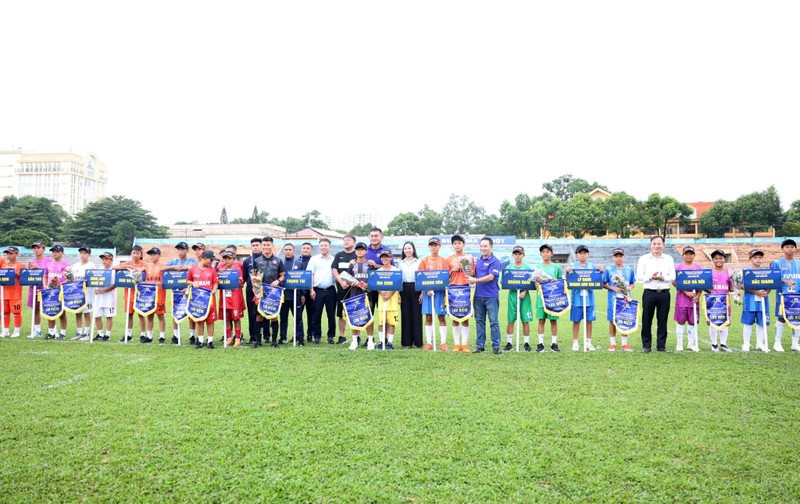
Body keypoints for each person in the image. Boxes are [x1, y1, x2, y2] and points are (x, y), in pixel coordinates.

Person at [636, 235, 676, 352]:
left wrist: (662, 277)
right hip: (649, 292)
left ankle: (661, 346)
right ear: (650, 245)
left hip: (664, 292)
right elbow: (639, 276)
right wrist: (650, 277)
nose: (656, 246)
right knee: (647, 319)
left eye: (659, 244)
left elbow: (672, 276)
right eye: (654, 244)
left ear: (663, 245)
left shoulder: (669, 258)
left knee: (663, 319)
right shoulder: (643, 258)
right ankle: (646, 346)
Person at [565, 245, 603, 351]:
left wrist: (601, 271)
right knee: (576, 321)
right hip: (577, 299)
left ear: (588, 254)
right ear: (577, 255)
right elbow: (568, 281)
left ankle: (588, 342)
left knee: (589, 321)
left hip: (589, 299)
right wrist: (567, 272)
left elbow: (598, 279)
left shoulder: (592, 266)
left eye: (585, 253)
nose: (583, 255)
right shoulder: (572, 266)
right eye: (580, 253)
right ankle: (575, 342)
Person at [468, 237, 502, 354]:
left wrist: (475, 280)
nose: (483, 248)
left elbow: (490, 277)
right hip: (478, 296)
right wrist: (467, 269)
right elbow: (473, 273)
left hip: (491, 296)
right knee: (479, 321)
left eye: (485, 246)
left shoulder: (495, 261)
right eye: (481, 246)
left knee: (493, 322)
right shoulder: (479, 260)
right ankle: (479, 345)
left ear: (491, 247)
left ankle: (496, 346)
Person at [163, 242, 197, 344]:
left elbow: (195, 269)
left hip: (188, 290)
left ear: (187, 250)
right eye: (179, 249)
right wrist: (173, 267)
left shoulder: (192, 261)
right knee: (175, 313)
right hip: (176, 291)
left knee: (190, 313)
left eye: (182, 249)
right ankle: (176, 335)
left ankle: (192, 335)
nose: (180, 251)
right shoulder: (174, 261)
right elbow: (163, 268)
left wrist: (184, 268)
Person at [602, 248, 636, 352]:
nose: (618, 258)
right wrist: (613, 288)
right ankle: (613, 344)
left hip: (626, 299)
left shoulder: (629, 269)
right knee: (612, 321)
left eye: (620, 256)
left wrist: (630, 287)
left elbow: (632, 283)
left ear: (624, 257)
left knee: (625, 319)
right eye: (616, 256)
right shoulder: (609, 269)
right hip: (613, 299)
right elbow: (603, 284)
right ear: (613, 257)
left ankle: (624, 344)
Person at [254, 237, 285, 348]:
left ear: (272, 246)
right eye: (264, 245)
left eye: (268, 245)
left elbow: (283, 275)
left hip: (274, 293)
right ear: (262, 247)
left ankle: (274, 341)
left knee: (274, 316)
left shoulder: (278, 260)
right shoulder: (257, 261)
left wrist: (278, 280)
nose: (266, 247)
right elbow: (254, 276)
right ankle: (258, 341)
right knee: (259, 317)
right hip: (261, 293)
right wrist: (256, 290)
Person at [419, 237, 449, 351]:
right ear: (429, 246)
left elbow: (446, 278)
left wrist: (441, 290)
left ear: (439, 246)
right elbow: (421, 277)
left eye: (435, 245)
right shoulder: (424, 261)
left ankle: (443, 343)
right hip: (428, 292)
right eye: (431, 245)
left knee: (441, 316)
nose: (433, 247)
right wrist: (427, 289)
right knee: (428, 317)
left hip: (440, 292)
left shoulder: (444, 261)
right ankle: (429, 343)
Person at [447, 234, 475, 352]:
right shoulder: (449, 259)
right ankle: (456, 344)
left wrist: (466, 268)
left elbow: (473, 274)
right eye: (455, 243)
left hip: (465, 288)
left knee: (465, 316)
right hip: (453, 288)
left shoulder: (469, 258)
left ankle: (464, 344)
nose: (457, 245)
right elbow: (445, 275)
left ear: (463, 244)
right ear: (453, 245)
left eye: (459, 243)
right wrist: (452, 270)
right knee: (454, 316)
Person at [113, 245, 147, 343]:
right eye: (133, 253)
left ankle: (143, 335)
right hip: (128, 293)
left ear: (141, 254)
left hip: (140, 294)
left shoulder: (143, 264)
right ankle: (128, 334)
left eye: (137, 253)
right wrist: (126, 266)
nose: (135, 255)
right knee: (129, 314)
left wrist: (130, 267)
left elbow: (142, 270)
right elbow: (114, 267)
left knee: (141, 314)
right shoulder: (127, 263)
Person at [771, 238, 800, 352]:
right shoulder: (777, 263)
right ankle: (777, 343)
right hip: (783, 295)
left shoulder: (798, 263)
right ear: (782, 249)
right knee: (781, 317)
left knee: (797, 318)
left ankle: (795, 343)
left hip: (797, 295)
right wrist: (785, 281)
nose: (790, 249)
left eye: (792, 247)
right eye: (787, 247)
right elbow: (773, 279)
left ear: (795, 249)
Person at [186, 249, 219, 349]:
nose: (211, 262)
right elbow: (187, 280)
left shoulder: (212, 270)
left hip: (210, 300)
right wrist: (193, 283)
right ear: (204, 258)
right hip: (198, 300)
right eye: (210, 260)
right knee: (199, 320)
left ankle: (210, 341)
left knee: (210, 321)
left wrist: (214, 289)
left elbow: (215, 282)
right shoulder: (193, 269)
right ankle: (200, 341)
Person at [673, 246, 703, 352]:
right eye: (686, 254)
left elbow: (702, 283)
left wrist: (698, 296)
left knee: (692, 322)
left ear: (694, 255)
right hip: (682, 299)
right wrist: (686, 292)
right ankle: (679, 343)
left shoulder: (698, 268)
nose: (689, 256)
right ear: (683, 255)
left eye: (691, 254)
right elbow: (674, 282)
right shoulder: (679, 268)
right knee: (680, 321)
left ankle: (691, 343)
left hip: (694, 300)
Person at [504, 246, 533, 352]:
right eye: (515, 254)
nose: (517, 256)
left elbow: (531, 282)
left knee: (525, 320)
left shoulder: (527, 268)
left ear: (523, 255)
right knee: (510, 319)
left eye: (519, 254)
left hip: (525, 296)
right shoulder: (508, 269)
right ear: (513, 255)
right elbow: (505, 282)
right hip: (512, 295)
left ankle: (526, 342)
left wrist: (524, 291)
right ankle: (509, 342)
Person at [741, 248, 770, 352]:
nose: (758, 259)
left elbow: (771, 283)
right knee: (748, 323)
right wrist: (756, 292)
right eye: (755, 257)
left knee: (762, 323)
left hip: (763, 302)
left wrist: (767, 292)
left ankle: (760, 343)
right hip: (750, 303)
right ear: (750, 259)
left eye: (760, 257)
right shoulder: (747, 272)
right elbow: (741, 285)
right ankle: (746, 343)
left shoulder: (766, 271)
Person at [534, 244, 562, 352]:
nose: (545, 254)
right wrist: (536, 284)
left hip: (553, 298)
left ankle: (554, 343)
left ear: (552, 253)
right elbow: (535, 281)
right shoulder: (538, 267)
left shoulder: (556, 267)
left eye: (548, 251)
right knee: (541, 320)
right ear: (541, 254)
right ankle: (540, 343)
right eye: (543, 252)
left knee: (553, 321)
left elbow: (560, 282)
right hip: (541, 298)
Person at [345, 242, 373, 350]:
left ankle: (370, 340)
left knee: (368, 316)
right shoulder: (352, 264)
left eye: (362, 249)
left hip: (366, 293)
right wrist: (350, 283)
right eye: (358, 250)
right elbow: (347, 279)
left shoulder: (370, 264)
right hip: (354, 292)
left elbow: (374, 280)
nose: (360, 251)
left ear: (366, 251)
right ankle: (355, 340)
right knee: (354, 316)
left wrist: (367, 285)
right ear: (355, 251)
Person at [308, 238, 336, 344]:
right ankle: (317, 336)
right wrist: (311, 290)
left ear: (329, 247)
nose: (323, 247)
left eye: (325, 245)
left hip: (330, 290)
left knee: (331, 314)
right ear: (319, 247)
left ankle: (331, 336)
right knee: (316, 314)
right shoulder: (314, 259)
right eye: (321, 246)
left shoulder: (334, 259)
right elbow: (311, 275)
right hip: (317, 290)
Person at [331, 235, 357, 344]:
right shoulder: (339, 255)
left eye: (349, 240)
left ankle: (356, 336)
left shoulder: (358, 254)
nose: (346, 242)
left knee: (355, 312)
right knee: (341, 313)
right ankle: (342, 336)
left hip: (355, 288)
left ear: (354, 242)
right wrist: (341, 282)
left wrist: (351, 283)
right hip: (341, 288)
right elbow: (334, 270)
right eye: (344, 240)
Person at [279, 243, 306, 345]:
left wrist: (303, 294)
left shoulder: (299, 263)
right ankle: (282, 337)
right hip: (283, 295)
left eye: (290, 249)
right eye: (286, 249)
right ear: (283, 251)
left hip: (296, 295)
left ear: (294, 251)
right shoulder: (280, 262)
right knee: (283, 318)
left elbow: (303, 279)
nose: (288, 251)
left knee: (298, 318)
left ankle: (300, 338)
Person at [708, 249, 734, 352]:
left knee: (725, 322)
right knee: (713, 321)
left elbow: (731, 288)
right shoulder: (709, 272)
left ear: (725, 259)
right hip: (712, 302)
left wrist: (734, 286)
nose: (718, 260)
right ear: (713, 260)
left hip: (725, 302)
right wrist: (710, 290)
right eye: (716, 258)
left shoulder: (729, 273)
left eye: (721, 258)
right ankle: (714, 344)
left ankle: (723, 344)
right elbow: (705, 286)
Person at [68, 246, 96, 341]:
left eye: (85, 253)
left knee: (87, 313)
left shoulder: (91, 266)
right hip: (77, 293)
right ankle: (79, 332)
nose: (83, 255)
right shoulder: (75, 266)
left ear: (89, 254)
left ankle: (86, 333)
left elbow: (94, 279)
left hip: (88, 293)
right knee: (78, 313)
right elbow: (71, 279)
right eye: (81, 253)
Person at [398, 241, 422, 348]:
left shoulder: (419, 262)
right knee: (405, 315)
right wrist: (398, 293)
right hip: (404, 288)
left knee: (417, 315)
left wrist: (422, 292)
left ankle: (418, 342)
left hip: (416, 288)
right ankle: (407, 342)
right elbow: (398, 279)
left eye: (409, 248)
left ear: (413, 249)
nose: (407, 250)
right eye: (405, 248)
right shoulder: (400, 263)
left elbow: (421, 278)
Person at [25, 241, 52, 338]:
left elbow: (50, 272)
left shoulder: (48, 260)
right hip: (33, 287)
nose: (36, 250)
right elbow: (27, 276)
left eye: (38, 248)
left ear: (43, 249)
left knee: (48, 308)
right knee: (35, 309)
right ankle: (37, 330)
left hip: (44, 287)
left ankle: (52, 331)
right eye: (34, 248)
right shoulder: (32, 261)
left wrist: (38, 267)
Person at [218, 250, 245, 347]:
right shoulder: (220, 269)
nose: (227, 260)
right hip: (224, 297)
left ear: (234, 259)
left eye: (229, 258)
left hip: (235, 297)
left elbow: (241, 283)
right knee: (227, 318)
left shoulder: (237, 269)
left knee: (236, 318)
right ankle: (229, 338)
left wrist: (231, 281)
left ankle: (237, 338)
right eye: (225, 258)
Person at [141, 247, 167, 344]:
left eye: (154, 254)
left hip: (159, 294)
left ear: (159, 255)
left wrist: (161, 283)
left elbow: (167, 280)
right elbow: (143, 279)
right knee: (149, 315)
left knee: (160, 315)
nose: (152, 256)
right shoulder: (147, 267)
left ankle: (162, 336)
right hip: (149, 296)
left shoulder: (162, 267)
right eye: (151, 255)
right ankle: (149, 336)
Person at [364, 227, 393, 314]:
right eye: (372, 236)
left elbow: (392, 267)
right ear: (369, 237)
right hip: (368, 286)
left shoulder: (386, 250)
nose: (374, 238)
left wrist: (377, 266)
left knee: (384, 313)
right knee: (368, 312)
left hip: (382, 285)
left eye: (376, 236)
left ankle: (382, 328)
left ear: (382, 237)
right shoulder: (364, 250)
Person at [376, 249, 400, 350]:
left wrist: (389, 295)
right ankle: (382, 342)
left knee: (391, 322)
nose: (384, 259)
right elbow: (375, 285)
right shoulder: (378, 271)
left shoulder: (396, 270)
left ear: (390, 257)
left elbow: (397, 285)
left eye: (386, 256)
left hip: (392, 299)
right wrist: (381, 293)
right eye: (382, 257)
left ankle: (389, 342)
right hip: (382, 299)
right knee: (381, 321)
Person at [45, 245, 71, 340]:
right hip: (50, 291)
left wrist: (60, 284)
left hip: (61, 291)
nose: (55, 253)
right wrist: (45, 286)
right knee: (49, 312)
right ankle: (51, 332)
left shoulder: (66, 264)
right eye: (53, 251)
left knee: (62, 313)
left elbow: (69, 278)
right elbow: (45, 276)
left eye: (57, 251)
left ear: (62, 253)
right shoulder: (49, 264)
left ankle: (62, 333)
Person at [241, 238, 263, 345]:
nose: (255, 247)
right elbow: (244, 277)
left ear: (261, 246)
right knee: (252, 313)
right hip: (250, 290)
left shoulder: (265, 259)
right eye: (253, 245)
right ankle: (253, 336)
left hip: (264, 290)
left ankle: (266, 335)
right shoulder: (247, 261)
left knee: (264, 312)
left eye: (257, 245)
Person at [1, 247, 25, 338]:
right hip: (4, 293)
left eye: (11, 253)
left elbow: (23, 278)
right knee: (5, 312)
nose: (9, 255)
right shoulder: (4, 265)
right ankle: (6, 330)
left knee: (16, 312)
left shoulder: (21, 265)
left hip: (15, 294)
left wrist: (14, 273)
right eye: (7, 254)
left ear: (16, 254)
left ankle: (16, 330)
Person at [93, 252, 117, 342]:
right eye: (102, 259)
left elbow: (115, 284)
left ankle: (107, 334)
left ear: (111, 259)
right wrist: (96, 289)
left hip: (109, 297)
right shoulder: (99, 270)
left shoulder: (114, 271)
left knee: (109, 316)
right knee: (97, 315)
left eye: (106, 259)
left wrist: (104, 291)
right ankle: (100, 333)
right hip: (99, 297)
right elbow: (94, 281)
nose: (104, 261)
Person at [299, 242, 314, 341]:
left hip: (311, 292)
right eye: (304, 248)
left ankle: (310, 335)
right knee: (298, 315)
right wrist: (302, 293)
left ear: (311, 250)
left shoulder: (314, 260)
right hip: (300, 293)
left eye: (308, 248)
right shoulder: (297, 261)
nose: (305, 250)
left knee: (311, 315)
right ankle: (298, 335)